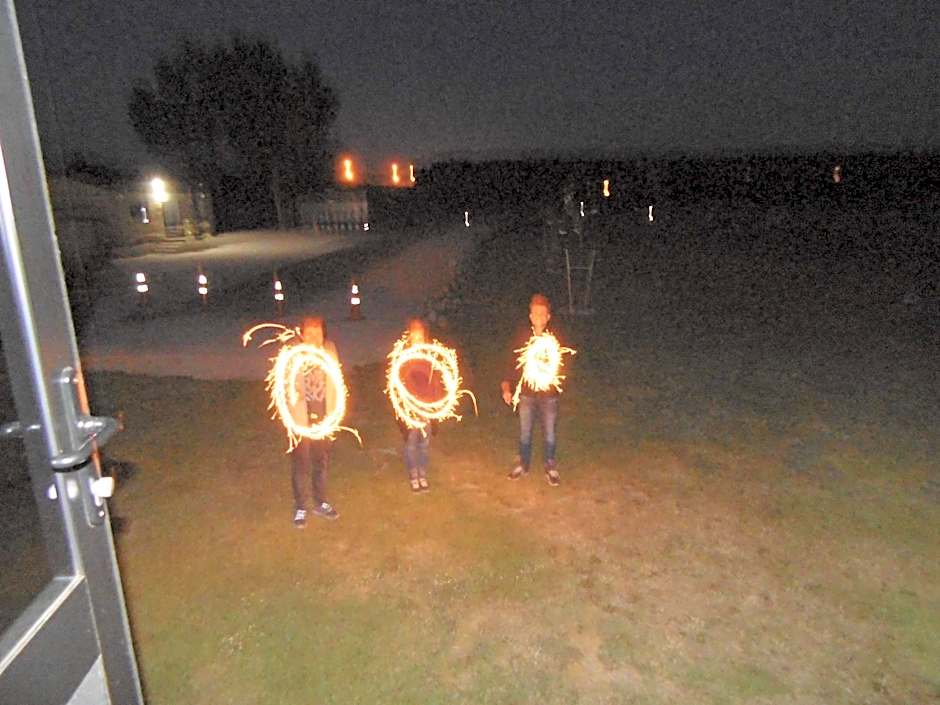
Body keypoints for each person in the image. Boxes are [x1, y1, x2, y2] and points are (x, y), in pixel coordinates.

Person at [500, 294, 566, 487]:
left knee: (550, 432)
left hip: (549, 395)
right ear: (530, 316)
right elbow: (511, 364)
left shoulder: (554, 341)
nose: (538, 317)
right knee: (525, 432)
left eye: (542, 314)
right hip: (527, 394)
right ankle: (523, 463)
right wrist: (506, 387)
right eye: (535, 313)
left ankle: (550, 465)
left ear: (548, 317)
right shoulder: (522, 339)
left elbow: (562, 366)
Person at [288, 316, 340, 528]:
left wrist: (334, 413)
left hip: (324, 414)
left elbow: (336, 382)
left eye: (317, 333)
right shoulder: (292, 353)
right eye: (309, 333)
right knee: (301, 463)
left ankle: (321, 501)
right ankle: (301, 506)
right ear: (301, 334)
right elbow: (285, 385)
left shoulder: (329, 349)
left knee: (321, 460)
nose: (313, 337)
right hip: (300, 415)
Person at [395, 318, 444, 493]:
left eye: (420, 337)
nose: (417, 340)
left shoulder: (430, 359)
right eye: (414, 337)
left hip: (427, 409)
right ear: (409, 338)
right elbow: (398, 386)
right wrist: (405, 409)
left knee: (424, 444)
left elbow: (437, 384)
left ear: (425, 339)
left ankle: (422, 473)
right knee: (411, 443)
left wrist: (437, 408)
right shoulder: (403, 360)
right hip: (410, 410)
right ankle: (413, 474)